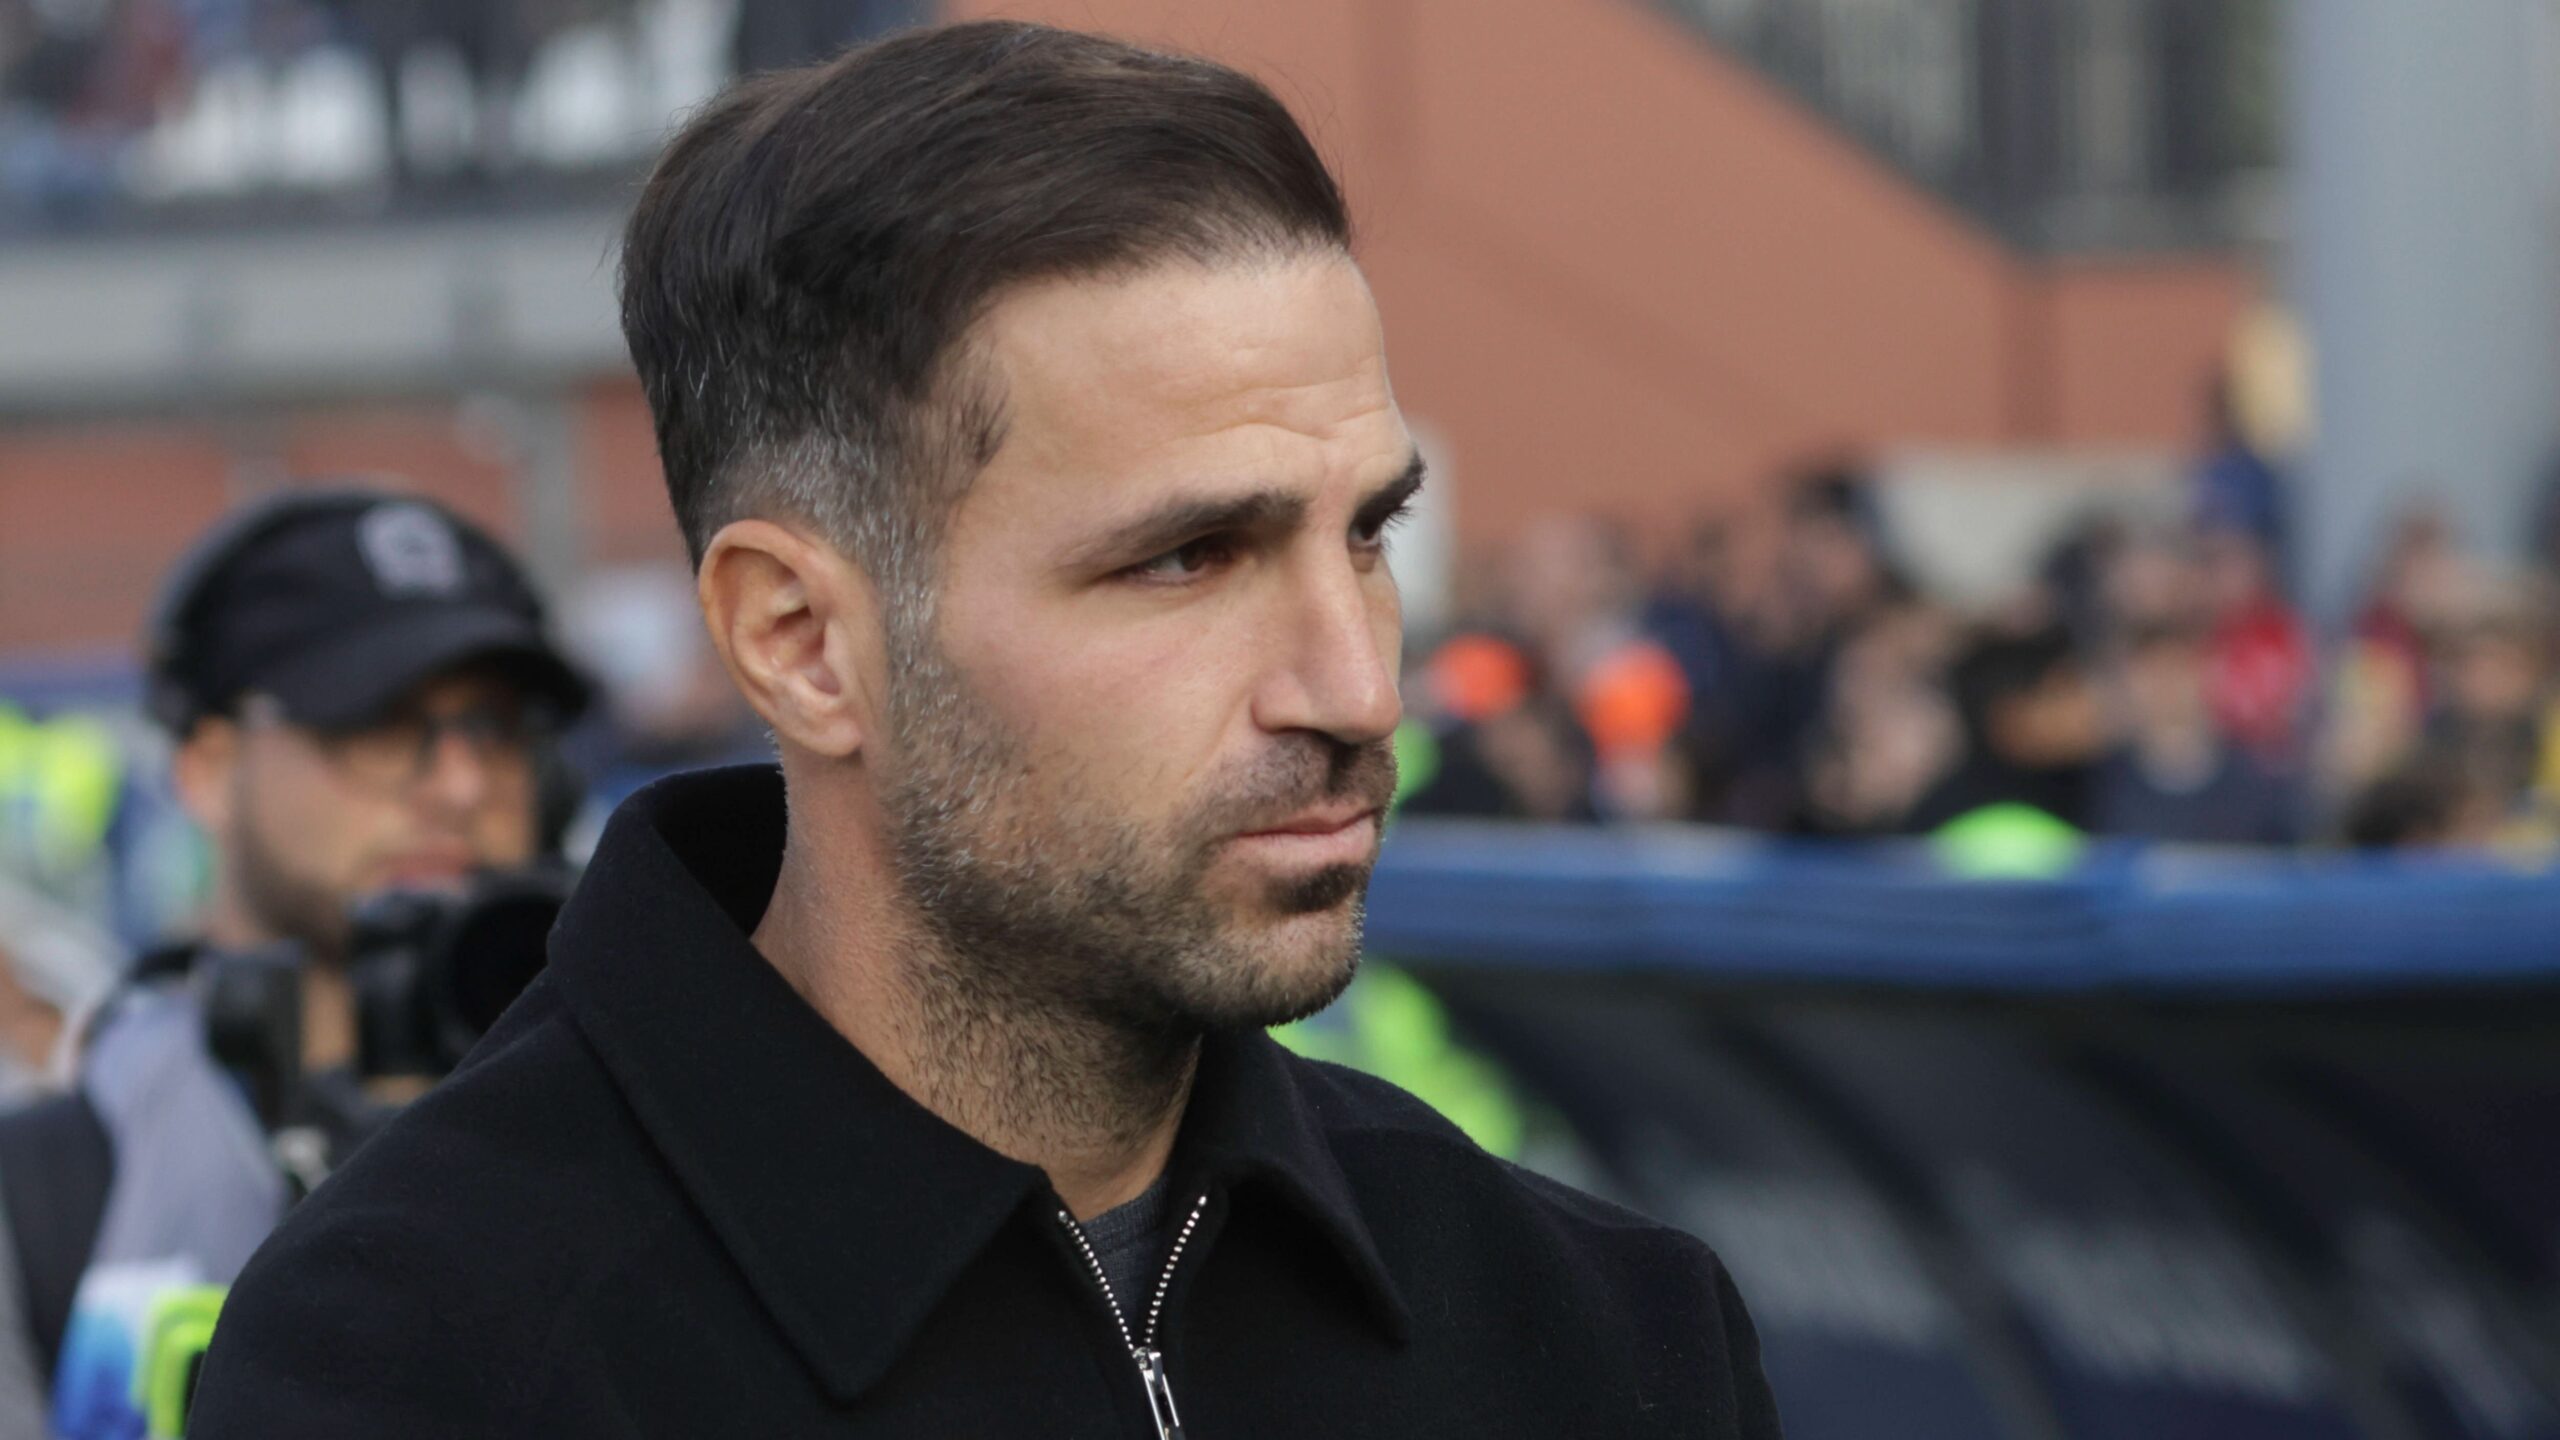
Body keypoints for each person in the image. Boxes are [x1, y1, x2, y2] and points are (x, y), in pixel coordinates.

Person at [190, 22, 1782, 1438]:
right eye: (1188, 558)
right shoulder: (422, 1364)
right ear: (802, 643)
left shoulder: (1601, 1328)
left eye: (1367, 533)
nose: (1358, 690)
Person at [0, 486, 589, 1440]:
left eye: (495, 726)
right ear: (208, 768)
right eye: (378, 721)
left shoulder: (653, 1122)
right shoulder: (44, 1197)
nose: (461, 783)